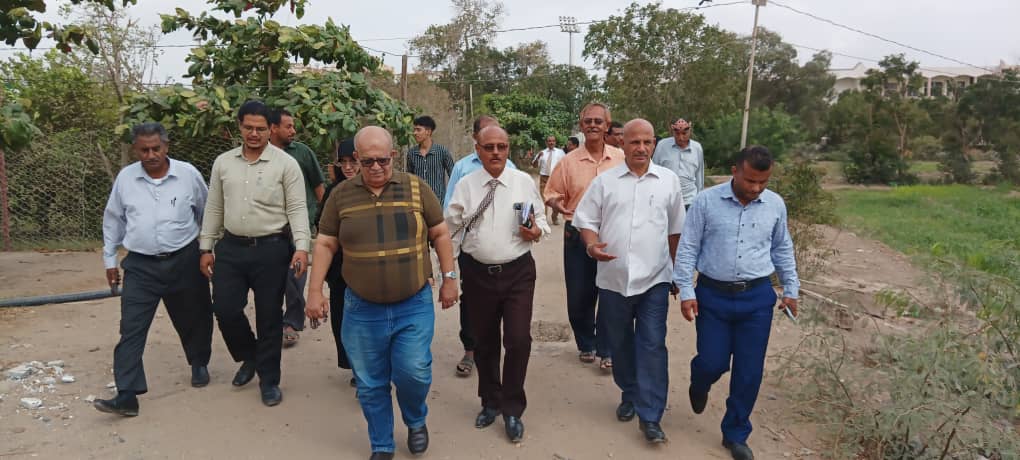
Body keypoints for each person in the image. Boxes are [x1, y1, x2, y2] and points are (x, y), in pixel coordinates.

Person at [306, 126, 458, 460]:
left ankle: (415, 419)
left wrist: (449, 277)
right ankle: (382, 444)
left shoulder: (416, 188)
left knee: (413, 372)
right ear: (356, 159)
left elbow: (440, 233)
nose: (375, 167)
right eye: (367, 161)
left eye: (382, 160)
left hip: (413, 303)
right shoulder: (340, 195)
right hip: (361, 309)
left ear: (393, 156)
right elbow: (326, 243)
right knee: (370, 382)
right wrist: (314, 291)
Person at [672, 145, 799, 460]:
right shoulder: (706, 201)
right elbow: (688, 247)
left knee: (749, 371)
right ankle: (700, 381)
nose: (756, 188)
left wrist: (791, 288)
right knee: (712, 362)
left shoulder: (774, 205)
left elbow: (782, 247)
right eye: (750, 180)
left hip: (756, 298)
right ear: (735, 171)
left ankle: (736, 433)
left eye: (763, 182)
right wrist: (686, 290)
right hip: (713, 295)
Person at [573, 119, 686, 443]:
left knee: (652, 344)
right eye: (634, 142)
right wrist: (591, 245)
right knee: (620, 344)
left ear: (654, 144)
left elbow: (676, 230)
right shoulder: (605, 182)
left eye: (647, 142)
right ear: (622, 144)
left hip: (655, 279)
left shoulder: (668, 181)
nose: (641, 148)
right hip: (613, 279)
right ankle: (630, 392)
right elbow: (586, 221)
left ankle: (650, 416)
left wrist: (678, 273)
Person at [95, 122, 216, 417]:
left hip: (184, 259)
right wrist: (110, 261)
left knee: (195, 316)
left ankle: (198, 363)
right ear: (135, 150)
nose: (150, 155)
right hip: (141, 265)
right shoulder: (126, 179)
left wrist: (206, 249)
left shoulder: (188, 175)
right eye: (144, 150)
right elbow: (113, 220)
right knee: (131, 327)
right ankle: (127, 394)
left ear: (166, 147)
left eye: (155, 149)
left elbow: (207, 212)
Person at [199, 100, 310, 407]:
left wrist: (302, 247)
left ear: (271, 130)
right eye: (248, 127)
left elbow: (297, 207)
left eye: (260, 129)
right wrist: (206, 247)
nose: (254, 134)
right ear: (239, 126)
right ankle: (250, 356)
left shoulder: (286, 164)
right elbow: (214, 206)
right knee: (225, 309)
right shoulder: (223, 163)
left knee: (269, 317)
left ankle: (269, 380)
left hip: (272, 250)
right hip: (231, 248)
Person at [446, 126, 550, 444]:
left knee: (518, 340)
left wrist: (536, 231)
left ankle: (512, 408)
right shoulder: (465, 185)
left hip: (518, 272)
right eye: (489, 147)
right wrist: (448, 275)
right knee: (485, 341)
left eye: (501, 146)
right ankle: (490, 401)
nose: (495, 152)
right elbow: (450, 232)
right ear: (477, 150)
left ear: (508, 149)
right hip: (477, 273)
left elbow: (541, 220)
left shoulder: (522, 182)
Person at [544, 103, 624, 370]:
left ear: (607, 126)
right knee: (580, 294)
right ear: (581, 125)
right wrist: (557, 204)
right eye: (588, 121)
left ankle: (607, 348)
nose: (593, 125)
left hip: (612, 233)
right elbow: (551, 192)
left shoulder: (621, 159)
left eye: (598, 121)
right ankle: (586, 343)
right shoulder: (568, 162)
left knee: (611, 292)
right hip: (577, 234)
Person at [443, 115, 518, 379]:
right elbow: (450, 210)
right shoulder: (462, 169)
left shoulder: (512, 169)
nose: (495, 149)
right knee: (471, 301)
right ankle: (470, 350)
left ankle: (498, 351)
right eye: (488, 139)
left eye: (501, 142)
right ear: (477, 140)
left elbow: (523, 208)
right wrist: (448, 261)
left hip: (508, 253)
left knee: (506, 308)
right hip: (471, 251)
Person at [268, 108, 326, 348]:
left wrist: (323, 221)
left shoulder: (302, 152)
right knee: (271, 277)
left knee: (296, 276)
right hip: (270, 227)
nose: (293, 130)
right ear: (273, 128)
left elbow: (319, 186)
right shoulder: (261, 155)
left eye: (293, 126)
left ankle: (292, 322)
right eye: (288, 126)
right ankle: (271, 323)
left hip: (299, 225)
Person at [317, 138, 359, 387]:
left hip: (369, 268)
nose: (348, 167)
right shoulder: (335, 192)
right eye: (343, 162)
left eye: (353, 161)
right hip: (340, 269)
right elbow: (322, 228)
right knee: (343, 319)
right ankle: (356, 366)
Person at [652, 118, 705, 210]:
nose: (681, 137)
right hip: (667, 200)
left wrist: (699, 199)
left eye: (684, 133)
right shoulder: (662, 145)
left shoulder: (697, 148)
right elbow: (654, 171)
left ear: (690, 131)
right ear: (673, 132)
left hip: (689, 200)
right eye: (677, 134)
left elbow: (699, 176)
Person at [405, 115, 455, 207]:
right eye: (414, 130)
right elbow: (409, 178)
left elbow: (453, 175)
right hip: (418, 203)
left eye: (418, 130)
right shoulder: (411, 153)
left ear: (428, 131)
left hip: (438, 203)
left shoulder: (442, 151)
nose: (415, 133)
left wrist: (450, 198)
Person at [530, 135, 565, 225]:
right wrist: (538, 157)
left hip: (556, 178)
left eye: (553, 141)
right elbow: (534, 166)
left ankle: (554, 216)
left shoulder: (560, 152)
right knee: (543, 200)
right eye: (549, 141)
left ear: (555, 142)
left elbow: (565, 164)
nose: (551, 143)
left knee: (555, 199)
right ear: (546, 142)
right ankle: (543, 219)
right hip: (544, 179)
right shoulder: (542, 153)